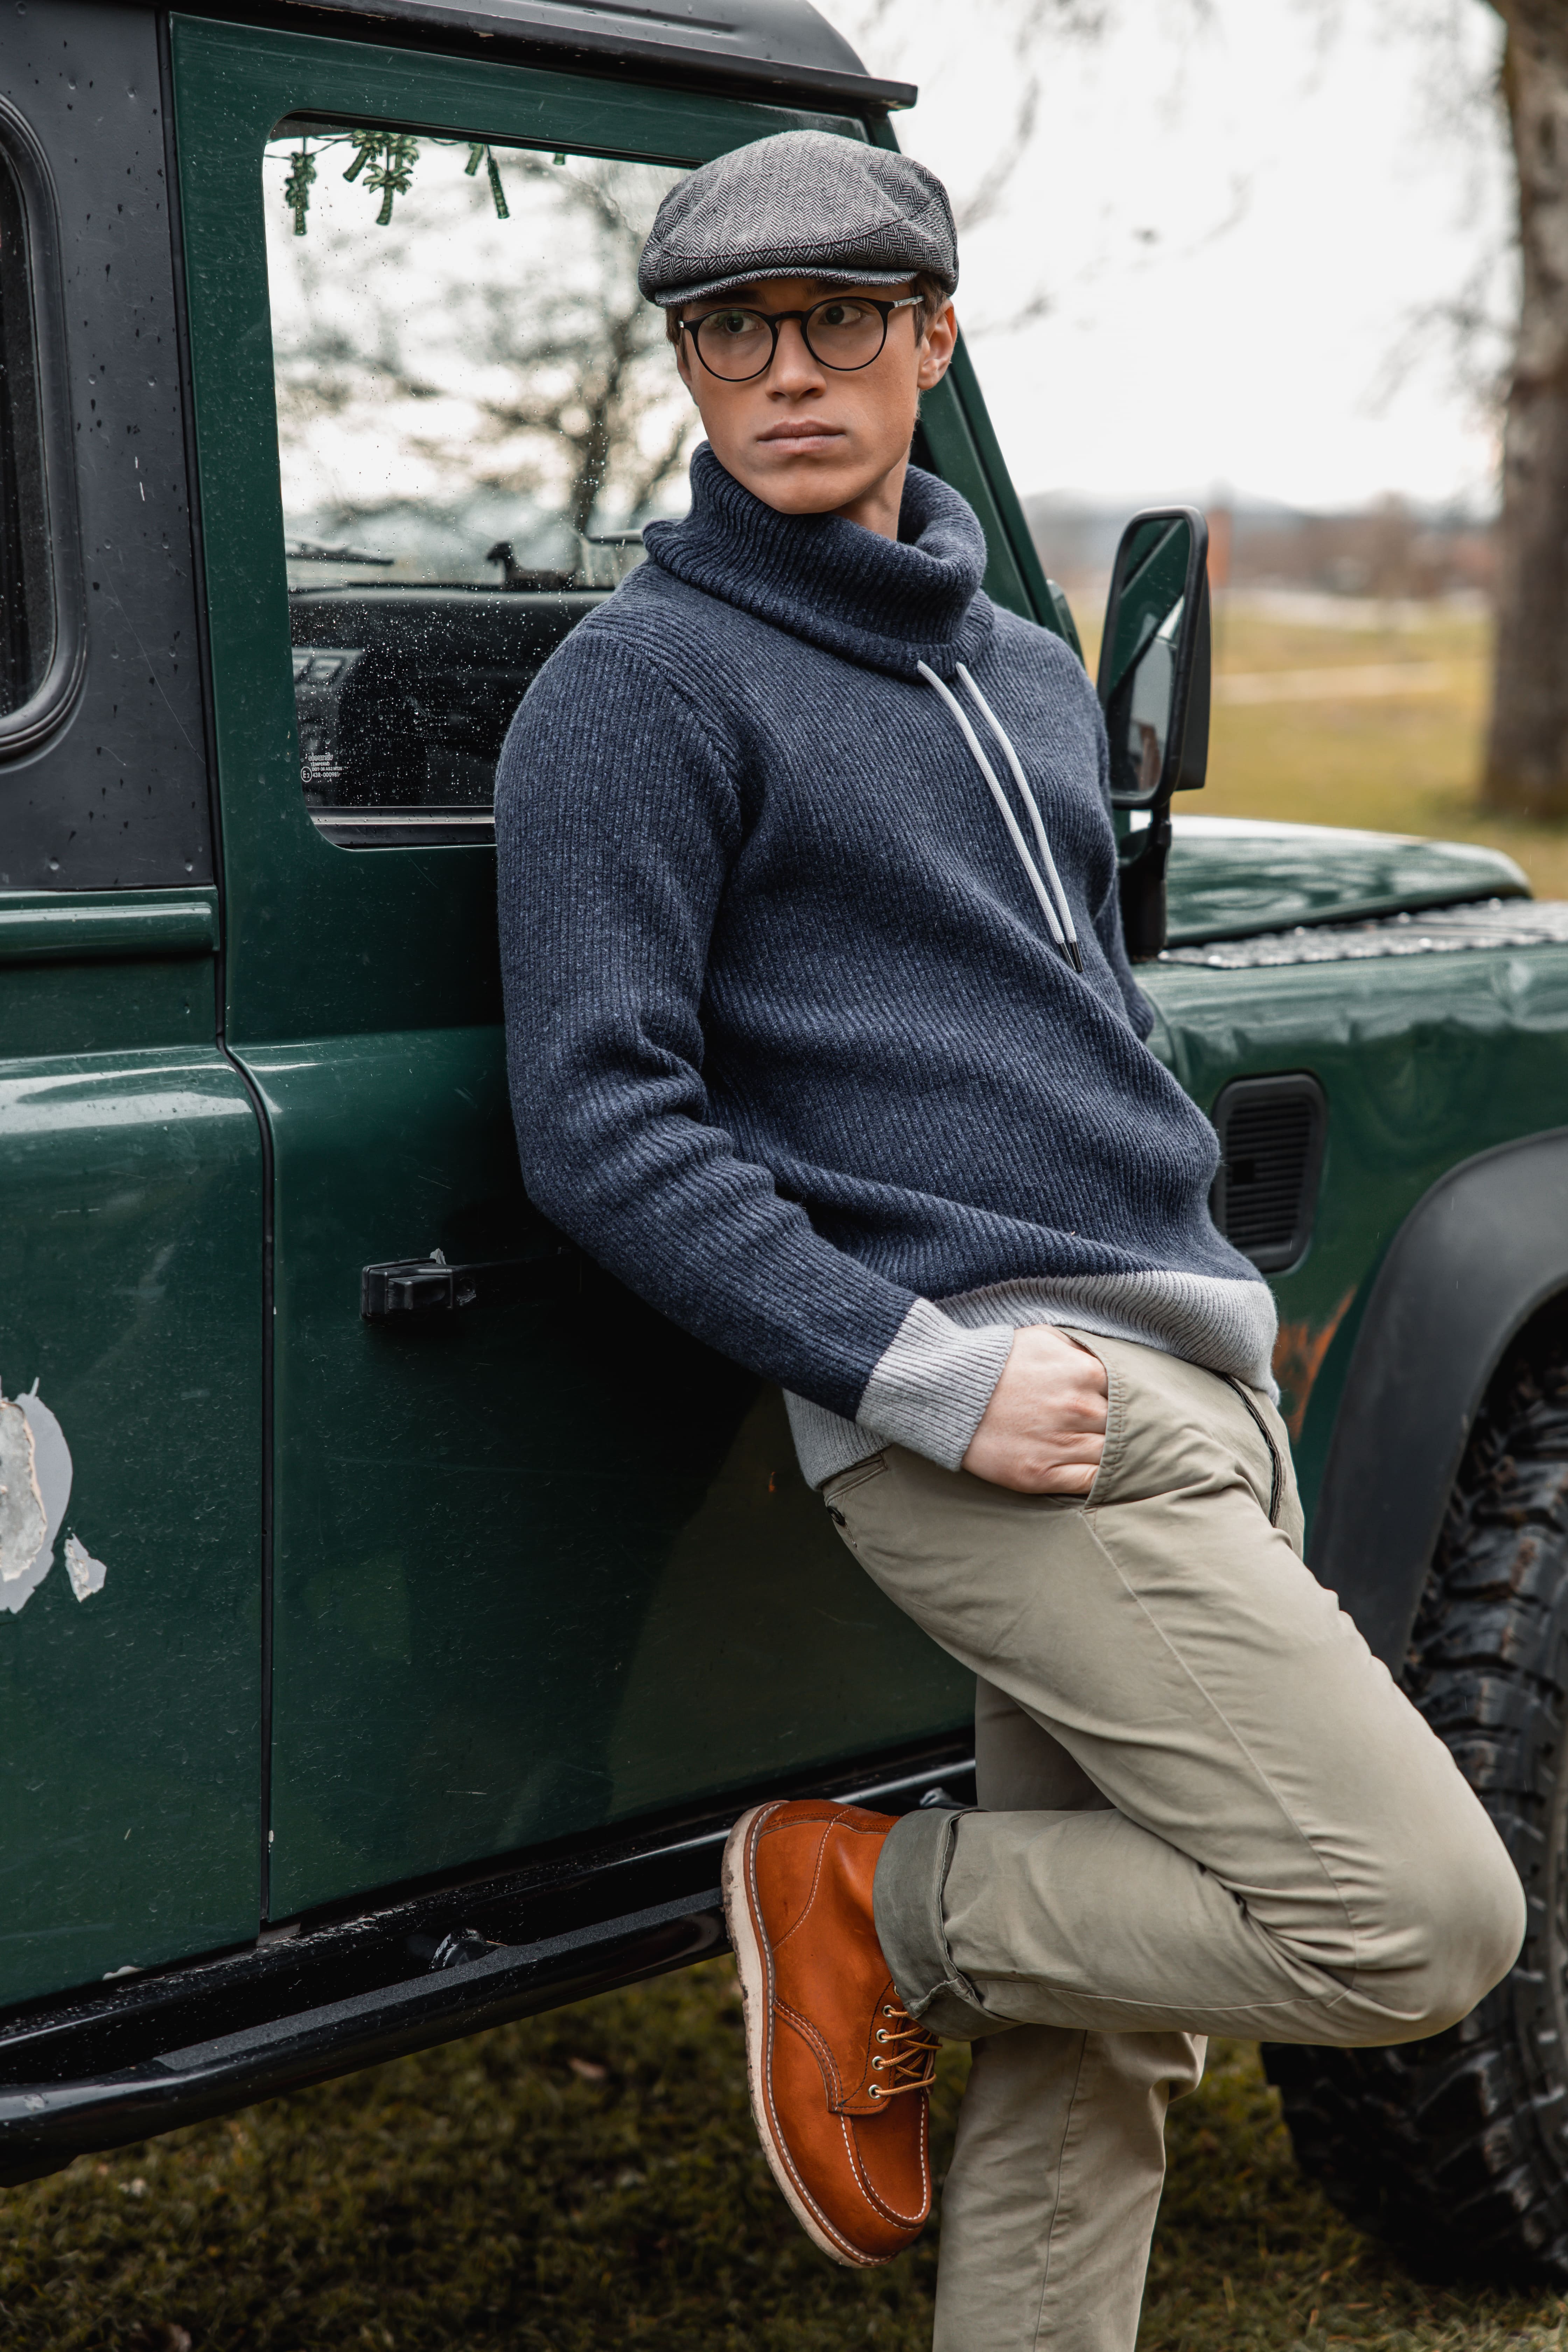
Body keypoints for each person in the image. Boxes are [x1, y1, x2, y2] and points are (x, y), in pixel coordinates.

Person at [494, 127, 1525, 2352]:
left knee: (1106, 2048)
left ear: (932, 341)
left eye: (839, 321)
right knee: (1416, 1920)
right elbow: (601, 1125)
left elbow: (1067, 1032)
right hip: (993, 1418)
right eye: (731, 332)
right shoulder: (641, 692)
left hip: (1183, 1381)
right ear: (686, 368)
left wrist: (1231, 1338)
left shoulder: (1022, 664)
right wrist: (918, 1372)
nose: (786, 372)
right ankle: (872, 1895)